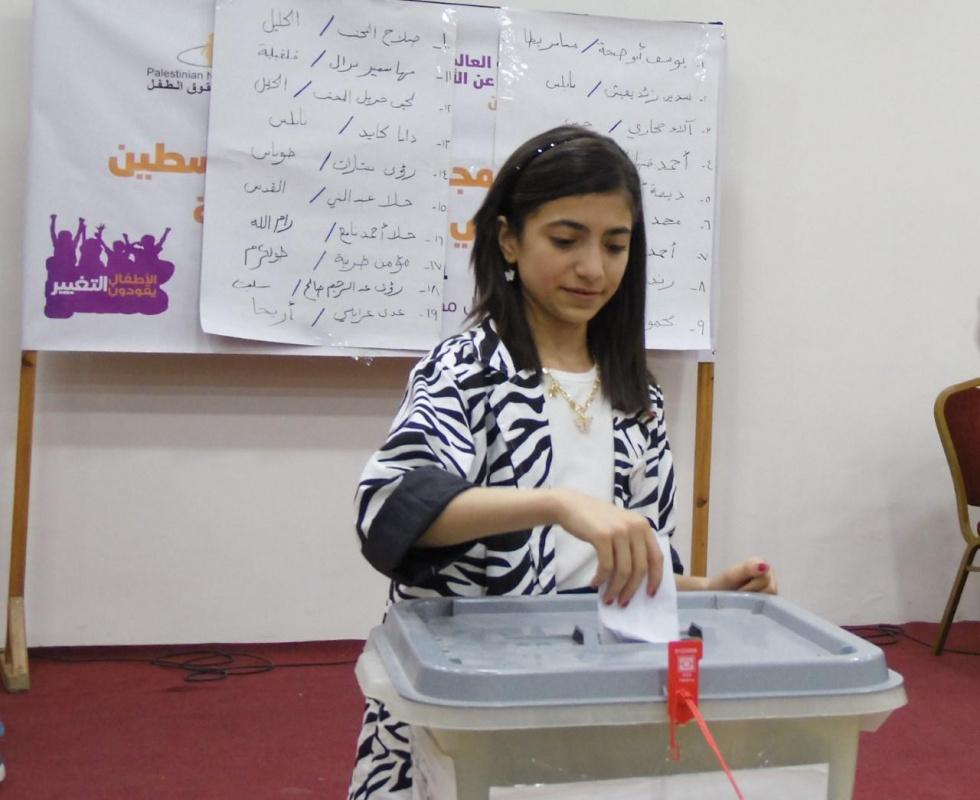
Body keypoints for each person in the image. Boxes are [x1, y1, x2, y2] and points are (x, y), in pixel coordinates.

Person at [347, 125, 776, 799]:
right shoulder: (465, 369)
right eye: (566, 240)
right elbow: (389, 506)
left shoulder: (637, 395)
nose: (593, 269)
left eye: (615, 245)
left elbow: (623, 571)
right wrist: (558, 504)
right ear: (509, 240)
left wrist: (707, 591)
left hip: (587, 697)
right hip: (471, 701)